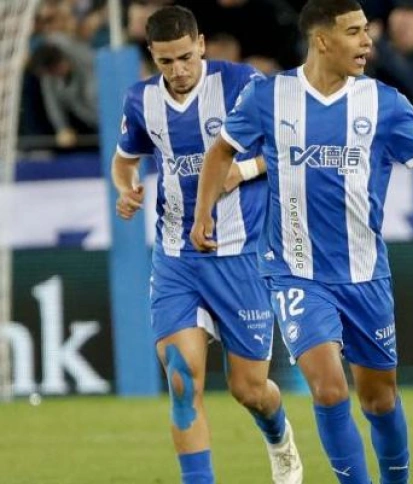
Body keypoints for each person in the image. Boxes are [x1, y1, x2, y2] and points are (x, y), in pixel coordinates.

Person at [190, 1, 413, 483]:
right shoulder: (270, 97)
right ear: (322, 40)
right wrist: (203, 217)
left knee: (379, 400)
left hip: (365, 274)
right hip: (295, 270)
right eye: (354, 32)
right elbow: (221, 152)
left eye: (367, 31)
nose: (367, 42)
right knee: (327, 390)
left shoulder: (384, 102)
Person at [110, 6, 302, 484]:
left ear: (200, 44)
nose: (177, 71)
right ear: (152, 57)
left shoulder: (242, 84)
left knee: (249, 389)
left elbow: (287, 146)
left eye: (183, 57)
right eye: (165, 62)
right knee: (180, 377)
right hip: (177, 258)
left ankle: (279, 438)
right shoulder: (141, 102)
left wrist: (244, 170)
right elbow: (123, 160)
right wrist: (126, 187)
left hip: (240, 257)